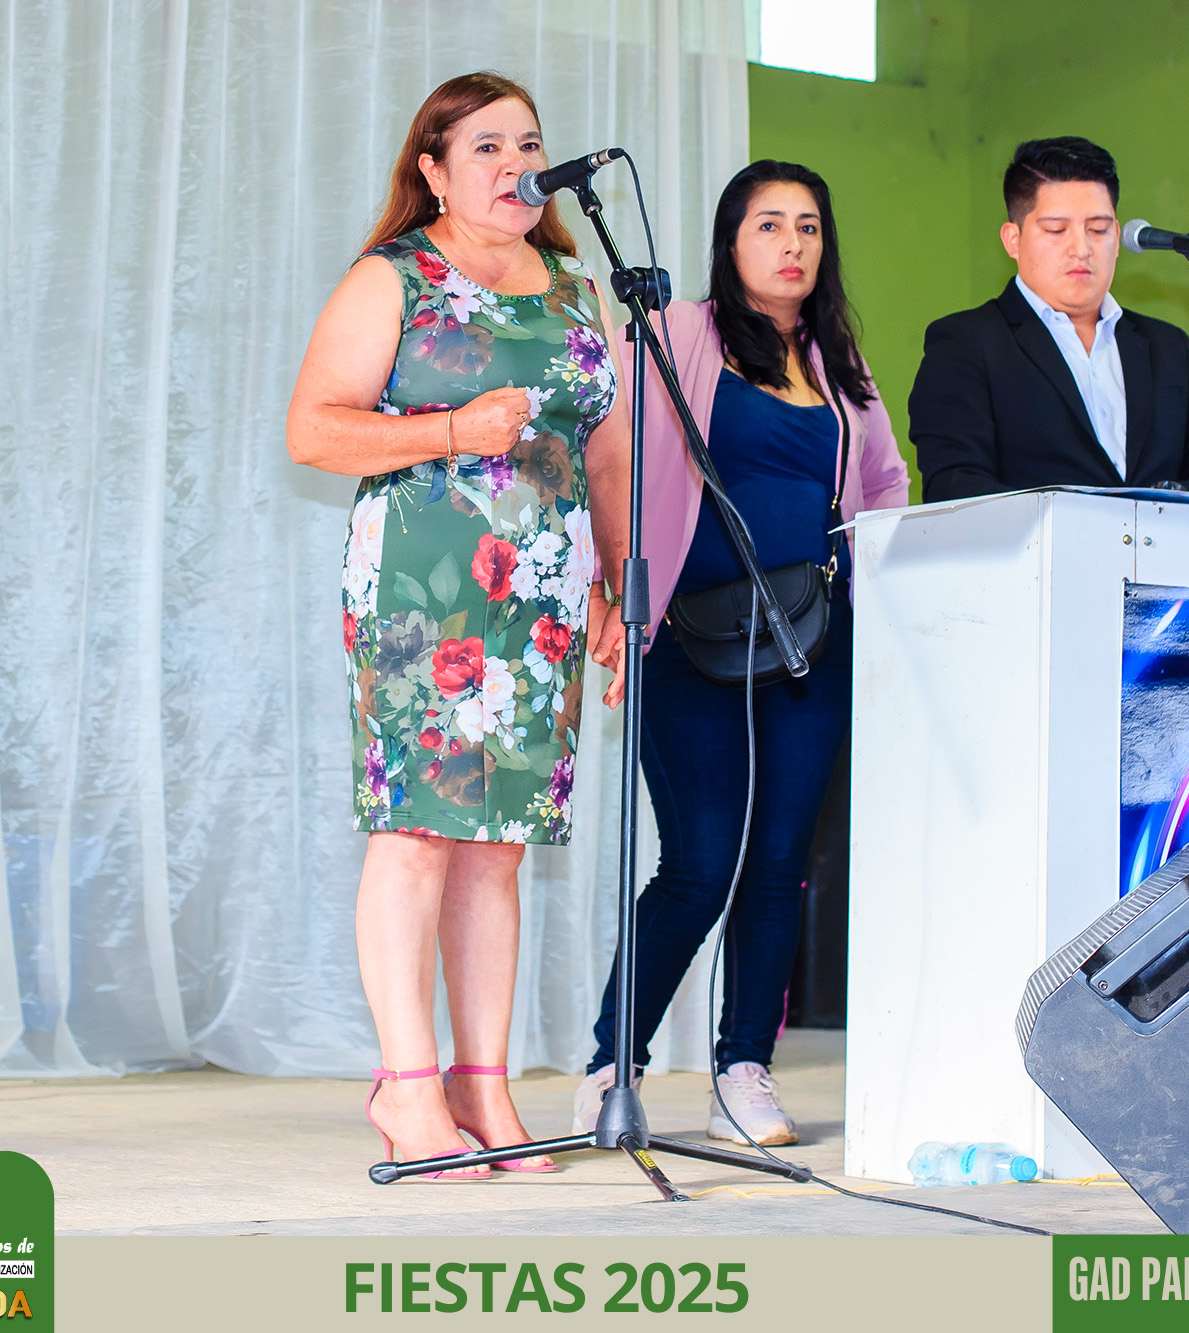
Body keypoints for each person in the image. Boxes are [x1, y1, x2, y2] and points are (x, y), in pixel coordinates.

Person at [287, 72, 630, 1179]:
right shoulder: (393, 276)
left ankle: (484, 1084)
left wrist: (613, 584)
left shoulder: (577, 289)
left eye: (529, 143)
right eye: (486, 146)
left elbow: (606, 453)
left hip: (543, 596)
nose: (516, 164)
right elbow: (313, 431)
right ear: (432, 169)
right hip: (419, 587)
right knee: (418, 829)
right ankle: (406, 1084)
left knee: (497, 845)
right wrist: (447, 430)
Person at [570, 160, 909, 1146]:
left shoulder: (840, 363)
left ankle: (743, 1070)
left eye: (808, 225)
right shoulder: (676, 332)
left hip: (810, 644)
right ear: (730, 241)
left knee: (777, 866)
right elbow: (604, 455)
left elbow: (883, 488)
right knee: (699, 863)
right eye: (769, 224)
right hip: (687, 638)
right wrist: (607, 587)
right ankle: (612, 1063)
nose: (792, 243)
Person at [907, 137, 1189, 505]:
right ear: (1013, 240)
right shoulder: (965, 344)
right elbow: (954, 488)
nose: (1081, 248)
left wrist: (1165, 508)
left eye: (1098, 229)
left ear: (1118, 238)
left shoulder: (1168, 348)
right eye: (1056, 230)